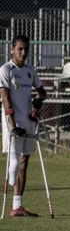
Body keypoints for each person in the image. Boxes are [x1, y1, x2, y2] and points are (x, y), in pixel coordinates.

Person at [0, 35, 48, 217]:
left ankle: (17, 207)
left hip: (28, 120)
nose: (23, 52)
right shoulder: (6, 70)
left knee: (24, 162)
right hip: (12, 120)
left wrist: (38, 100)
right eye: (20, 49)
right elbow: (5, 99)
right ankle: (12, 194)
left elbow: (43, 93)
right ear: (12, 49)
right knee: (13, 163)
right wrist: (12, 126)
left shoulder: (30, 70)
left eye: (26, 49)